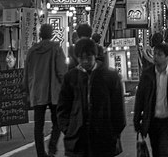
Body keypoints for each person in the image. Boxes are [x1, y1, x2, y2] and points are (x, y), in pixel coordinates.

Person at [57, 38, 125, 156]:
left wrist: (114, 132)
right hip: (77, 138)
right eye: (81, 58)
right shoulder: (70, 77)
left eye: (88, 57)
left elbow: (118, 107)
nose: (85, 61)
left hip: (104, 137)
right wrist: (69, 129)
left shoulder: (110, 76)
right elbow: (63, 107)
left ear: (95, 55)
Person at [24, 23, 68, 157]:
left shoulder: (32, 51)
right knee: (58, 122)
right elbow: (61, 71)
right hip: (54, 91)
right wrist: (66, 87)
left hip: (37, 91)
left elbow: (27, 72)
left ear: (40, 34)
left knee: (39, 125)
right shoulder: (56, 48)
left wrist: (26, 89)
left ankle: (40, 153)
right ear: (51, 34)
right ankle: (52, 148)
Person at [134, 42, 168, 157]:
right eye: (154, 54)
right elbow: (140, 98)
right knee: (156, 150)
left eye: (159, 55)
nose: (155, 57)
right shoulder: (147, 74)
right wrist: (137, 118)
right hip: (152, 120)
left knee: (165, 151)